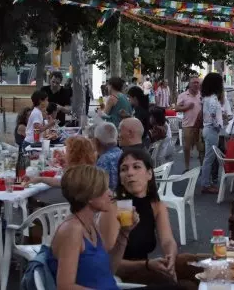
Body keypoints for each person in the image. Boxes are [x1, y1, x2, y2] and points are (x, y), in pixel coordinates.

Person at [101, 149, 203, 290]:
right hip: (123, 275)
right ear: (120, 178)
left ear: (149, 174)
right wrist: (147, 264)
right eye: (124, 169)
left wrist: (170, 258)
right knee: (187, 287)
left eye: (136, 167)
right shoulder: (114, 208)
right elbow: (108, 263)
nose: (130, 173)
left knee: (192, 263)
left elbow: (167, 240)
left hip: (148, 265)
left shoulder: (156, 205)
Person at [46, 165, 139, 290]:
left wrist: (124, 232)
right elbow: (65, 287)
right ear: (89, 196)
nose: (110, 193)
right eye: (104, 189)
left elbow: (109, 270)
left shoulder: (90, 224)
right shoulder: (72, 230)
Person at [24, 136, 97, 188]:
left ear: (75, 154)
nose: (66, 152)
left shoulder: (80, 173)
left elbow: (62, 183)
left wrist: (40, 179)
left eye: (68, 150)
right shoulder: (87, 169)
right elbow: (64, 181)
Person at [199, 73, 225, 194]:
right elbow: (213, 114)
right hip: (212, 130)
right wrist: (218, 125)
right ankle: (205, 184)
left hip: (208, 129)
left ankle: (206, 183)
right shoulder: (213, 99)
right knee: (209, 158)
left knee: (208, 158)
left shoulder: (207, 98)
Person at [175, 76, 203, 172]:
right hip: (188, 125)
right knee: (187, 148)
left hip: (200, 126)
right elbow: (177, 108)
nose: (196, 84)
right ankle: (187, 167)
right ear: (190, 84)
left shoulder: (202, 95)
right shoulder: (183, 95)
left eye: (197, 83)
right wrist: (187, 107)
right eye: (194, 83)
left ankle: (202, 168)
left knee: (201, 148)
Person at [94, 122, 123, 191]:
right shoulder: (125, 155)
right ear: (117, 138)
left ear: (96, 141)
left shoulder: (103, 161)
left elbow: (97, 191)